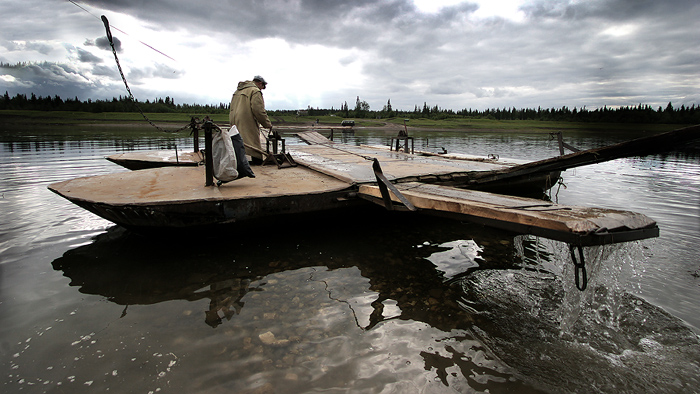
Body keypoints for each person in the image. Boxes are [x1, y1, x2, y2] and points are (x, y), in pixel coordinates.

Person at [229, 75, 273, 165]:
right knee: (252, 140)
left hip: (234, 119)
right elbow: (258, 110)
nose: (261, 90)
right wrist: (267, 124)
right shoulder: (255, 91)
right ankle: (257, 161)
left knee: (237, 140)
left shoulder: (238, 91)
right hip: (247, 119)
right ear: (260, 83)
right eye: (262, 87)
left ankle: (238, 162)